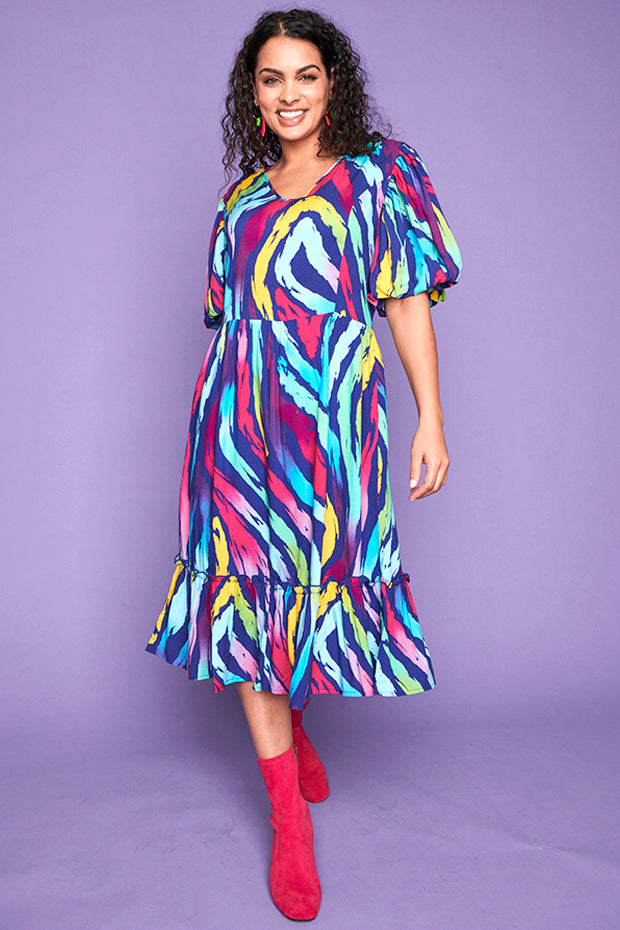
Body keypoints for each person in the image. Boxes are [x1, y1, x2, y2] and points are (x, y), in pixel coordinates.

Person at [146, 7, 462, 921]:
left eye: (307, 75)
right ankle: (288, 816)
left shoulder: (379, 177)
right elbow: (230, 323)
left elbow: (405, 303)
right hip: (236, 429)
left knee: (319, 587)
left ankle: (299, 721)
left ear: (333, 85)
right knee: (249, 601)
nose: (290, 94)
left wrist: (432, 419)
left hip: (333, 425)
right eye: (272, 78)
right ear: (254, 93)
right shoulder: (239, 200)